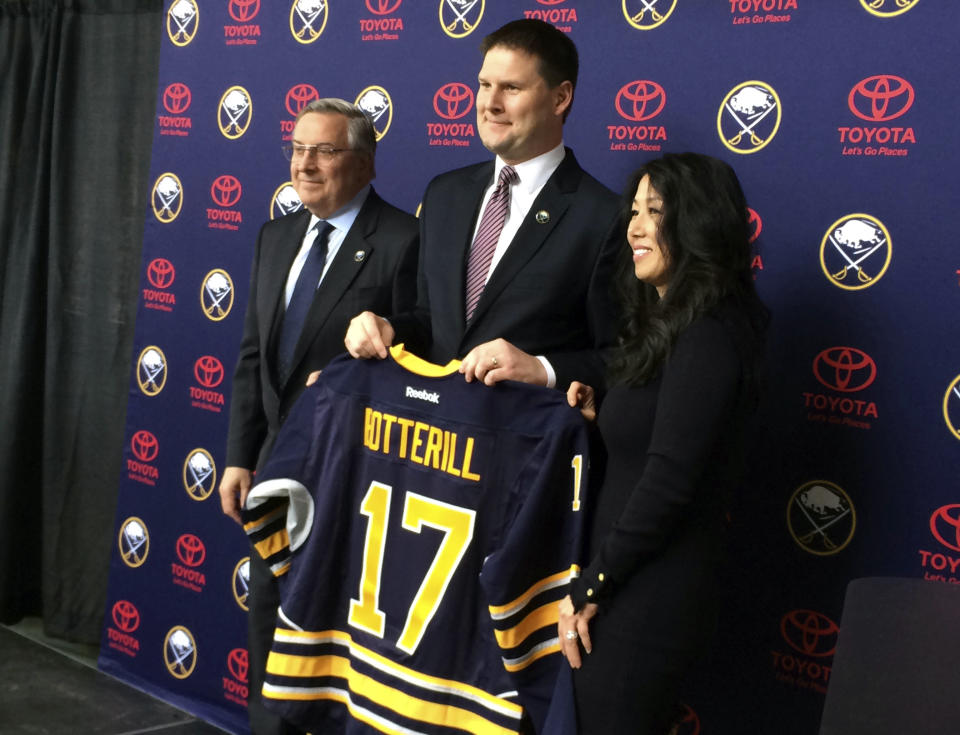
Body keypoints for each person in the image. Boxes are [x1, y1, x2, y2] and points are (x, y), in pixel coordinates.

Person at [218, 98, 418, 735]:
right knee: (269, 631)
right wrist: (240, 456)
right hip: (277, 468)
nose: (304, 164)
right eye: (297, 149)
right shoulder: (276, 236)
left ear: (363, 164)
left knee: (332, 644)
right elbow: (255, 357)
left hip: (356, 479)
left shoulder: (403, 241)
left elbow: (420, 353)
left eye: (324, 151)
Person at [557, 153, 768, 734]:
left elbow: (671, 485)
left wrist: (593, 585)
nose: (634, 227)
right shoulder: (679, 324)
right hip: (629, 587)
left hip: (645, 600)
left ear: (696, 224)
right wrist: (606, 420)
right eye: (634, 211)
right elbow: (664, 444)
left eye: (655, 212)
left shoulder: (708, 334)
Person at [344, 18, 621, 391]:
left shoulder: (604, 217)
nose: (490, 104)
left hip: (527, 440)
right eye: (484, 85)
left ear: (560, 98)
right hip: (435, 439)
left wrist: (542, 369)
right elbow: (429, 321)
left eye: (511, 88)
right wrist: (387, 327)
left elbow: (622, 358)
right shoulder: (445, 194)